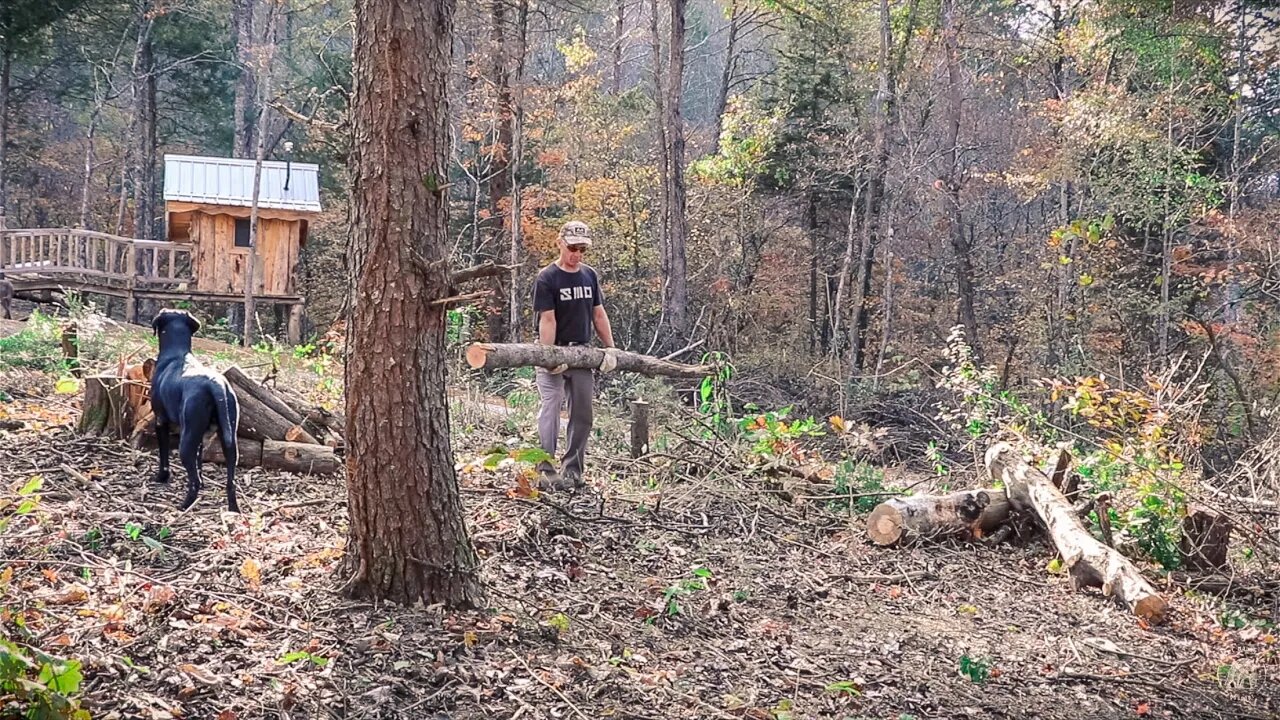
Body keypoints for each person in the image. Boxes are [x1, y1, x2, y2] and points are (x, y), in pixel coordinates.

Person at [532, 220, 620, 490]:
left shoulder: (589, 275)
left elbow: (598, 313)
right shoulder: (547, 278)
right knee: (552, 405)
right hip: (553, 348)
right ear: (560, 243)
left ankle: (573, 470)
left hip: (582, 353)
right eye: (572, 248)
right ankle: (545, 470)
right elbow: (548, 319)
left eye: (582, 249)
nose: (577, 254)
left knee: (582, 412)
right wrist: (550, 356)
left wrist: (610, 348)